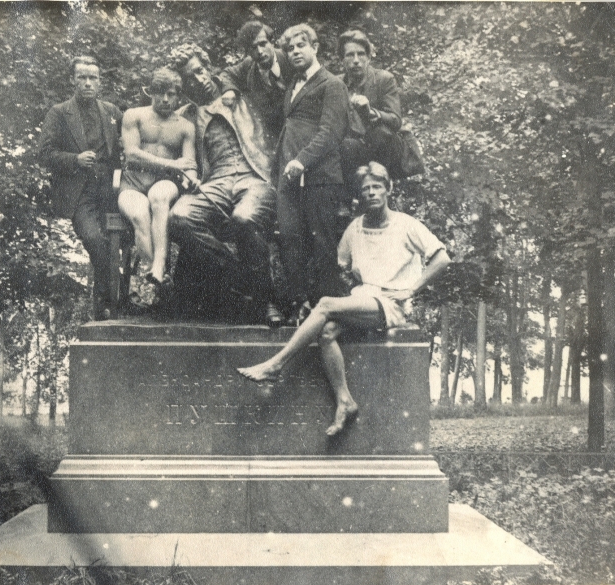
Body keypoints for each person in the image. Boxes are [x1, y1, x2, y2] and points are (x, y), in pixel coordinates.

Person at [239, 162, 451, 436]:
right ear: (360, 195)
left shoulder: (406, 224)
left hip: (391, 304)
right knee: (326, 332)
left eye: (377, 187)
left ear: (388, 189)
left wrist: (410, 290)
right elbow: (337, 267)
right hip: (362, 298)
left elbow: (442, 259)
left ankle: (275, 365)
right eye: (366, 189)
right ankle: (345, 401)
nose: (371, 193)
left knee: (326, 305)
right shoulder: (355, 228)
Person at [167, 43, 283, 326]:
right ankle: (248, 280)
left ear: (208, 67)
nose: (199, 80)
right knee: (179, 217)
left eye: (200, 70)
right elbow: (175, 156)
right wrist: (185, 175)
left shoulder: (243, 92)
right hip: (215, 181)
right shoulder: (184, 116)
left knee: (244, 218)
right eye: (190, 78)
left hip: (255, 176)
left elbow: (265, 59)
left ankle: (264, 298)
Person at [275, 24, 350, 326]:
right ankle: (300, 305)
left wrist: (302, 161)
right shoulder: (293, 84)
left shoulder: (332, 84)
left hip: (320, 177)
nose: (294, 52)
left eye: (301, 45)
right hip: (289, 178)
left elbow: (331, 132)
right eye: (290, 48)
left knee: (322, 245)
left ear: (315, 47)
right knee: (289, 239)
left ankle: (328, 315)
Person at [38, 55, 123, 321]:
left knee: (122, 242)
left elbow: (131, 142)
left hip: (111, 190)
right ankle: (106, 305)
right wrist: (75, 159)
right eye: (82, 77)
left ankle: (116, 305)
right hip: (79, 192)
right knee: (94, 240)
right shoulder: (59, 112)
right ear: (72, 80)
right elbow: (44, 154)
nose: (87, 83)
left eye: (92, 78)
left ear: (99, 82)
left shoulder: (112, 112)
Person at [118, 68, 197, 294]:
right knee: (139, 215)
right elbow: (132, 154)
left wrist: (192, 179)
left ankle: (159, 266)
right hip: (133, 182)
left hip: (165, 182)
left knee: (159, 197)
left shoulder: (185, 126)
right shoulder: (134, 115)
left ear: (178, 96)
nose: (165, 99)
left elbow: (189, 163)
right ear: (151, 92)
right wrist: (173, 163)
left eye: (171, 94)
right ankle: (157, 280)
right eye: (160, 93)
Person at [337, 30, 405, 180]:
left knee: (381, 134)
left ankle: (381, 183)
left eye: (361, 54)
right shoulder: (337, 84)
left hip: (382, 146)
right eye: (350, 55)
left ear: (368, 57)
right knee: (345, 146)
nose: (356, 60)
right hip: (353, 147)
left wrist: (371, 112)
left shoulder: (383, 79)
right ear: (342, 60)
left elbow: (396, 120)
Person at [219, 20, 294, 141]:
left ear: (272, 42)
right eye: (253, 48)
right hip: (272, 136)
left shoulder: (290, 59)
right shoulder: (249, 65)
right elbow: (227, 74)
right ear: (248, 52)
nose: (259, 51)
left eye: (263, 44)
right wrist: (229, 90)